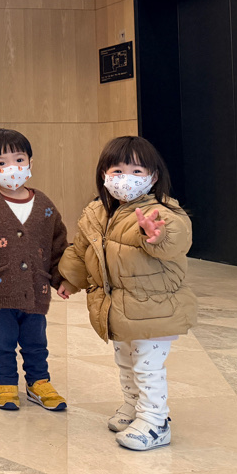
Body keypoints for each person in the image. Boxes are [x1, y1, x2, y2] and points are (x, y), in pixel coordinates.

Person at [58, 136, 196, 451]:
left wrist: (157, 235)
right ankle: (134, 407)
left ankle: (156, 422)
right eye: (117, 171)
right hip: (118, 308)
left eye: (136, 171)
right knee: (126, 361)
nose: (126, 179)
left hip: (154, 309)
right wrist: (69, 279)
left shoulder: (161, 212)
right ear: (104, 175)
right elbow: (81, 251)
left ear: (153, 177)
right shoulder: (96, 212)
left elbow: (176, 238)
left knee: (147, 367)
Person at [0, 128, 69, 412]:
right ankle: (5, 383)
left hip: (36, 288)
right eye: (2, 163)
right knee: (2, 340)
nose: (13, 168)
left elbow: (58, 244)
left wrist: (62, 278)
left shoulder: (44, 204)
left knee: (36, 340)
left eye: (19, 160)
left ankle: (38, 382)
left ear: (30, 163)